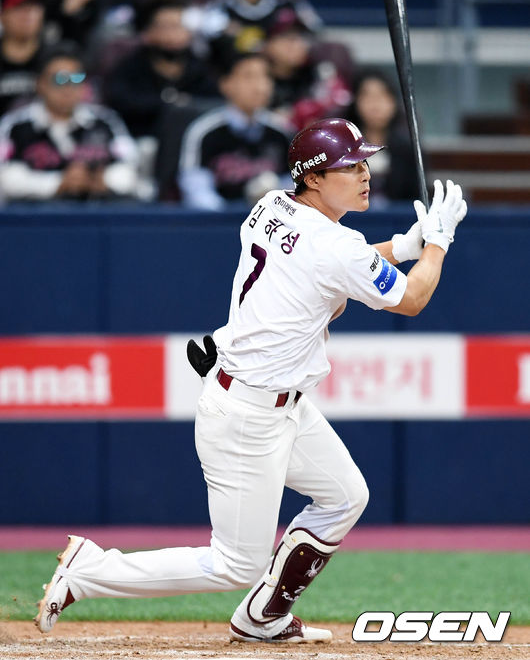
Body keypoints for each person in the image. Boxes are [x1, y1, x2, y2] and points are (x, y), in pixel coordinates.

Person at [35, 117, 467, 643]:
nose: (364, 174)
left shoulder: (272, 204)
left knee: (344, 496)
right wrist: (437, 243)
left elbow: (335, 266)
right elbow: (411, 298)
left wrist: (402, 247)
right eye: (350, 166)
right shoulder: (333, 243)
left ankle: (263, 616)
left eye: (364, 163)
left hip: (281, 403)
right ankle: (91, 571)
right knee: (235, 563)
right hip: (248, 413)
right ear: (313, 178)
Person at [0, 42, 139, 201]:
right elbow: (5, 176)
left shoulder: (105, 122)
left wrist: (103, 180)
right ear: (40, 84)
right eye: (59, 79)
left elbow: (131, 167)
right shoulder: (16, 125)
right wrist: (58, 183)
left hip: (98, 208)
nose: (68, 88)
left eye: (76, 79)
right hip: (33, 211)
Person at [175, 51, 291, 210]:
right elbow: (195, 189)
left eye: (266, 77)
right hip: (219, 220)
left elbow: (295, 184)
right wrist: (230, 216)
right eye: (248, 77)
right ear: (226, 84)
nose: (260, 86)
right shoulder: (205, 131)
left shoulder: (282, 132)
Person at [103, 0, 219, 140]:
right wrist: (169, 104)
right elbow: (122, 104)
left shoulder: (203, 70)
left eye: (179, 26)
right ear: (147, 33)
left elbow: (215, 104)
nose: (173, 35)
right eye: (165, 27)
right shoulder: (128, 70)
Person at [347, 69, 420, 205]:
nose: (375, 105)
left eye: (382, 96)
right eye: (367, 96)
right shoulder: (344, 148)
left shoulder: (409, 149)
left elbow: (416, 197)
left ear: (394, 102)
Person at [0, 0, 47, 118]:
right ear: (2, 14)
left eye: (34, 7)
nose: (28, 15)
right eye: (18, 7)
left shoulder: (55, 58)